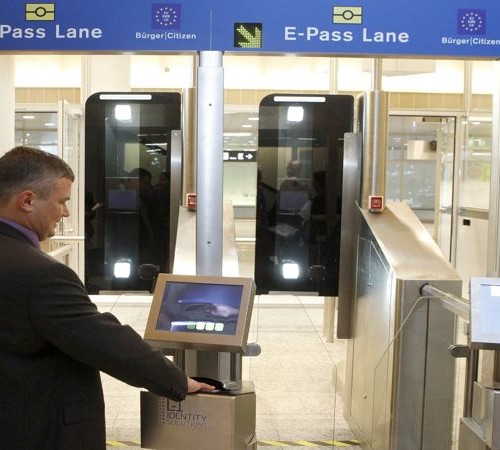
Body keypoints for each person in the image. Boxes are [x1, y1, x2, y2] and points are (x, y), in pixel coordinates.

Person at [0, 146, 214, 450]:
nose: (66, 212)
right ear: (27, 201)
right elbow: (103, 340)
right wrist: (178, 381)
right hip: (33, 429)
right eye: (61, 201)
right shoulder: (40, 274)